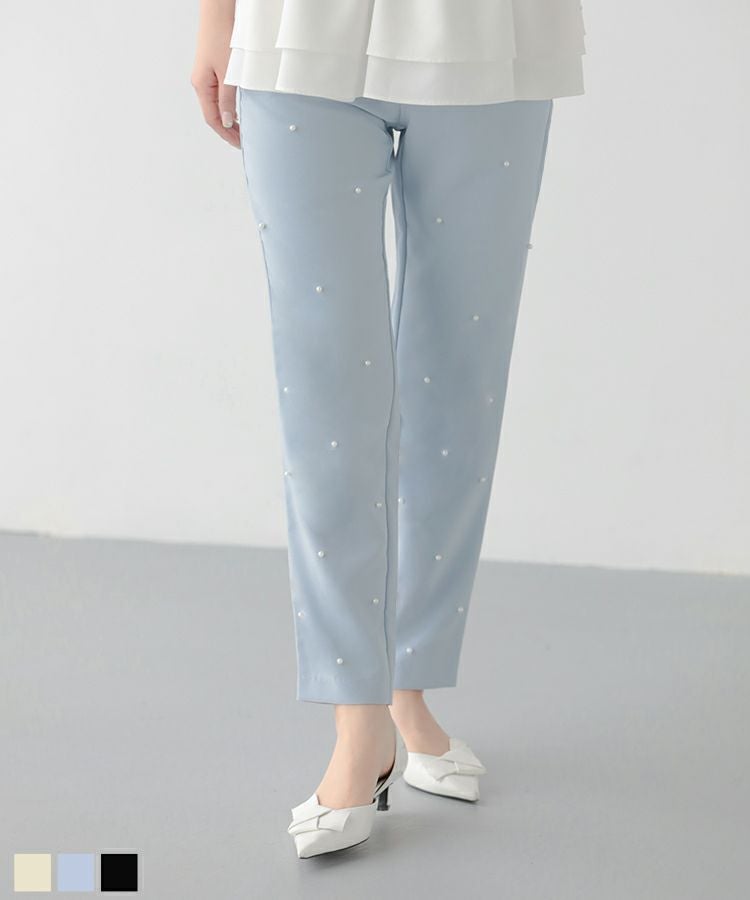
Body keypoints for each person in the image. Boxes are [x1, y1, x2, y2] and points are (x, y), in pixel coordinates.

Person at [192, 0, 586, 859]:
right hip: (295, 34)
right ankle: (358, 720)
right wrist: (216, 18)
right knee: (327, 391)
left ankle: (409, 685)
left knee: (459, 380)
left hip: (495, 35)